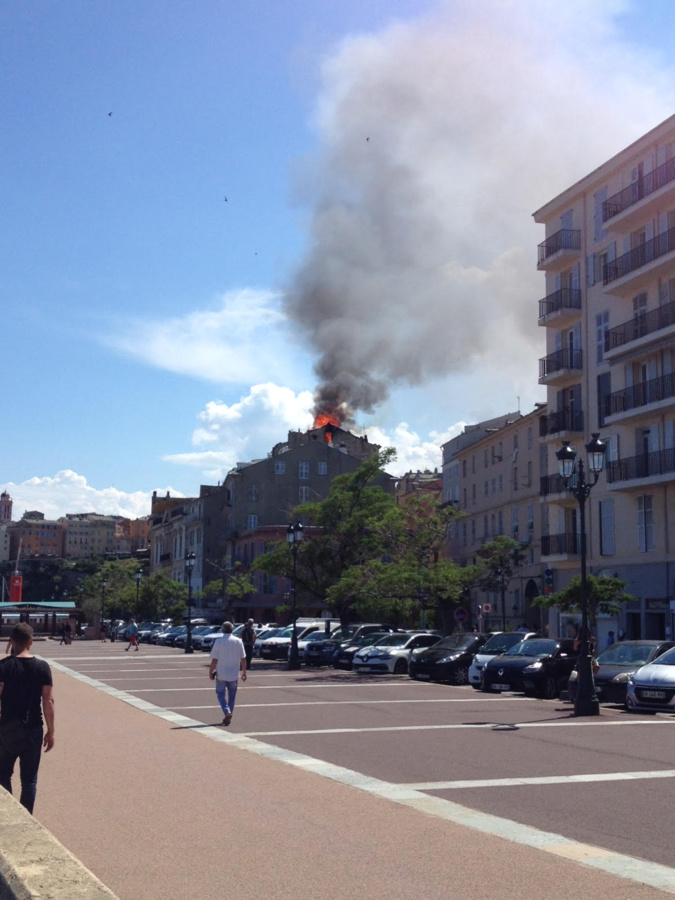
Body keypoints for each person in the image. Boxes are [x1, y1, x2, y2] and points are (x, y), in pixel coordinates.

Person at [0, 623, 55, 814]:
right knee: (29, 780)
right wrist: (51, 731)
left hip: (7, 728)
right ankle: (26, 816)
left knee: (3, 774)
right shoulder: (42, 667)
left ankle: (8, 812)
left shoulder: (3, 667)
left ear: (12, 641)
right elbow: (48, 701)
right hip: (33, 728)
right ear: (31, 642)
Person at [209, 621, 246, 726]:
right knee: (232, 695)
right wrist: (244, 672)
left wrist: (210, 671)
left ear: (222, 630)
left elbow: (215, 659)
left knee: (220, 694)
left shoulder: (219, 642)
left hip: (221, 672)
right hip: (234, 673)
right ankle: (229, 714)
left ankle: (227, 711)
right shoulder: (238, 641)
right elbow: (243, 658)